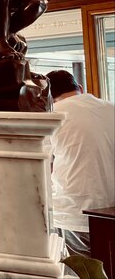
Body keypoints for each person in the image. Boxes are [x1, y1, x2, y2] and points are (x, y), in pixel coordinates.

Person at [46, 70, 115, 258]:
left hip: (74, 213)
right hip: (110, 213)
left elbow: (42, 167)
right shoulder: (111, 108)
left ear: (48, 96)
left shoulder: (52, 116)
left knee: (83, 270)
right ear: (80, 88)